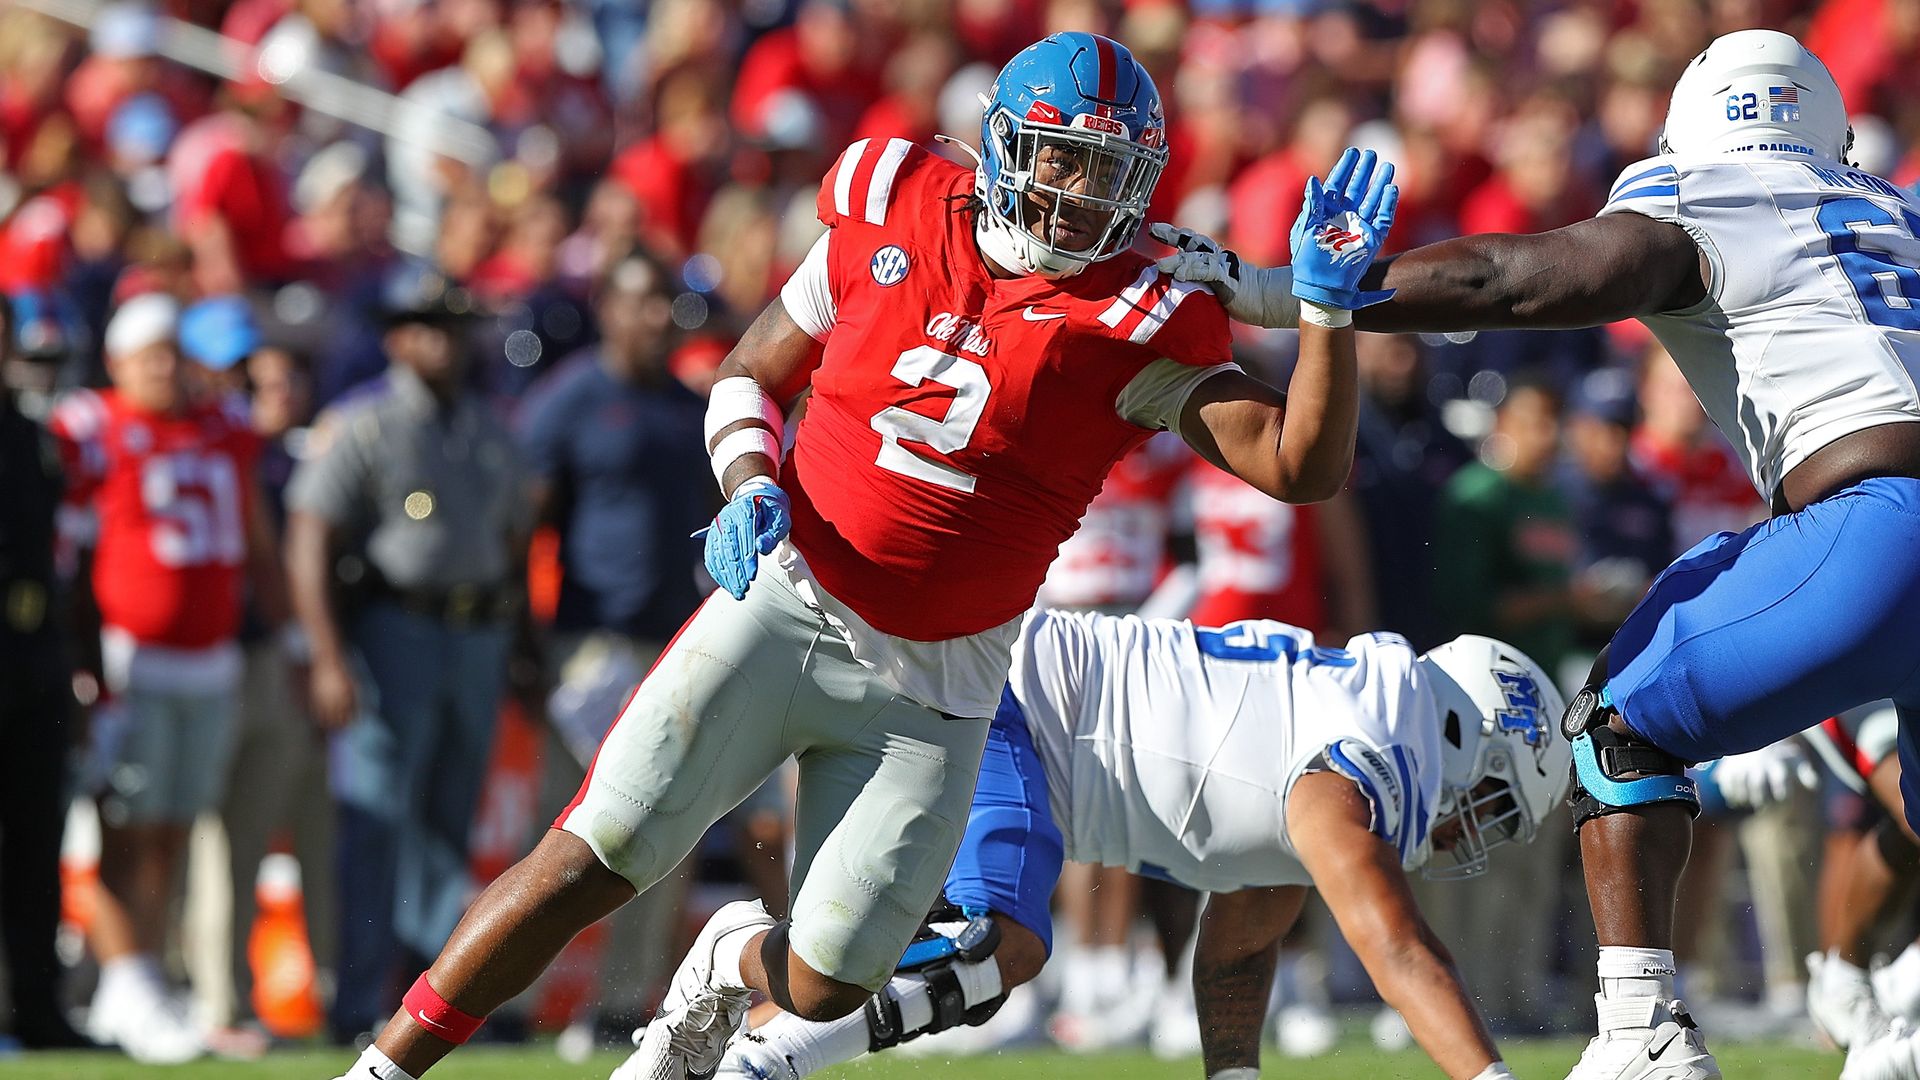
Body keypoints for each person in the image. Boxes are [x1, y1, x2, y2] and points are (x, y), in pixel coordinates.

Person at [325, 32, 1398, 1080]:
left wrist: (1326, 317)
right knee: (592, 857)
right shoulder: (893, 192)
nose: (1079, 194)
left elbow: (1301, 468)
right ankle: (383, 1068)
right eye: (1064, 158)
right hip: (788, 604)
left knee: (833, 983)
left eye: (1110, 172)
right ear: (1007, 148)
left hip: (938, 685)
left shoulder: (1142, 315)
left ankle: (723, 958)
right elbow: (749, 372)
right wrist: (750, 483)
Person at [1155, 28, 1920, 1080]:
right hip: (1877, 537)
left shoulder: (1719, 195)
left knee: (1621, 725)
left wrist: (1291, 292)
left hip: (1883, 525)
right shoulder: (1898, 214)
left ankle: (1643, 1031)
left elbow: (1507, 280)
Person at [715, 611, 1570, 1080]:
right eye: (1488, 803)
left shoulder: (1334, 766)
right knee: (994, 950)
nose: (1467, 833)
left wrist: (1233, 1075)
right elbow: (1398, 948)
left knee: (935, 958)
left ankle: (710, 1027)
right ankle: (756, 1043)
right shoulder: (1366, 752)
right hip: (1002, 694)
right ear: (1460, 733)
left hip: (1007, 705)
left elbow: (1239, 944)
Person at [285, 275, 532, 1043]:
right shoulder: (363, 424)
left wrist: (523, 643)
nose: (442, 341)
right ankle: (358, 999)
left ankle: (439, 1001)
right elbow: (308, 539)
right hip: (395, 631)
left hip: (477, 633)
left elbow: (513, 545)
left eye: (453, 327)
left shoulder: (490, 427)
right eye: (425, 326)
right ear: (395, 337)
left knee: (449, 826)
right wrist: (327, 657)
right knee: (381, 819)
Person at [49, 292, 285, 1064]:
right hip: (133, 656)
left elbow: (253, 528)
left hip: (209, 656)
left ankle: (141, 978)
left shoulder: (220, 425)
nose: (161, 365)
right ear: (116, 363)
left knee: (176, 825)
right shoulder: (97, 427)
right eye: (145, 353)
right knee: (127, 824)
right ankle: (126, 979)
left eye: (168, 349)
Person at [514, 249, 716, 1038]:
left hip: (667, 643)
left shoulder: (683, 407)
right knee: (564, 833)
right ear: (607, 309)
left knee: (658, 828)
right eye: (638, 303)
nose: (654, 320)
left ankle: (622, 1003)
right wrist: (525, 641)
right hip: (586, 644)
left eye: (665, 305)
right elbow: (523, 525)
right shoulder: (567, 401)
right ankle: (515, 1001)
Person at [0, 293, 90, 1051]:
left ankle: (38, 1006)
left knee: (36, 839)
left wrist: (75, 665)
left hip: (31, 653)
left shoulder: (34, 437)